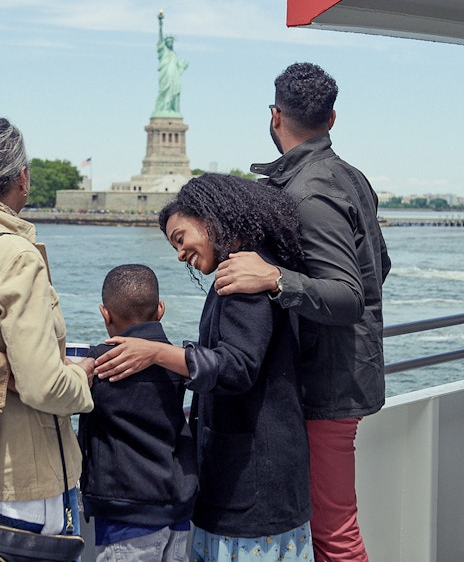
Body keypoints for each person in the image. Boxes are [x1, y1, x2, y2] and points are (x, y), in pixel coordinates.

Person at [214, 63, 392, 562]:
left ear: (275, 117)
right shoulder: (347, 176)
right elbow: (380, 265)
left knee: (332, 531)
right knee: (326, 526)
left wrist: (274, 279)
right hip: (340, 374)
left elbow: (348, 295)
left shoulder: (310, 192)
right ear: (331, 118)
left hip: (327, 384)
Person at [93, 173, 315, 562]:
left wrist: (155, 353)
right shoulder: (251, 267)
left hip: (253, 485)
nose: (180, 254)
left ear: (209, 217)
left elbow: (236, 367)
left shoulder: (244, 278)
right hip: (261, 474)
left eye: (180, 239)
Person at [0, 117, 94, 537]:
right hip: (22, 483)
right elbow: (42, 386)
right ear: (22, 178)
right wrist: (82, 377)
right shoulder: (17, 256)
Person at [78, 263, 198, 562]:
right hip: (178, 505)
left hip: (125, 511)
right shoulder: (180, 362)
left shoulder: (100, 365)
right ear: (160, 310)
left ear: (105, 314)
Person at [152, 10, 188, 116]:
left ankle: (173, 110)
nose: (170, 43)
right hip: (165, 75)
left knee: (174, 92)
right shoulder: (163, 51)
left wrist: (182, 67)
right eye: (168, 42)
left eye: (172, 42)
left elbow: (178, 68)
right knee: (164, 91)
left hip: (174, 77)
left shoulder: (174, 54)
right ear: (165, 43)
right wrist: (160, 24)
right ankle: (163, 108)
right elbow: (160, 38)